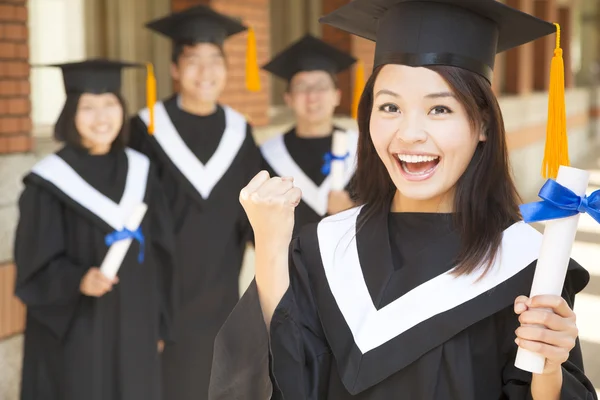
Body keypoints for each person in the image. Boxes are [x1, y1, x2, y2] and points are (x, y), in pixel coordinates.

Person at [208, 1, 599, 399]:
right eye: (390, 106)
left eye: (440, 109)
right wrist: (271, 245)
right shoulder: (324, 248)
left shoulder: (526, 264)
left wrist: (548, 368)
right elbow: (289, 381)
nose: (410, 133)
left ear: (482, 124)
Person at [14, 59, 176, 400]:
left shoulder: (142, 170)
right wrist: (77, 279)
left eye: (110, 104)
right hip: (79, 330)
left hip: (137, 322)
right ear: (70, 113)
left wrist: (160, 323)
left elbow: (162, 253)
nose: (102, 117)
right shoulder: (49, 182)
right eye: (88, 107)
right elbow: (32, 265)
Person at [129, 5, 263, 399]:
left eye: (214, 61)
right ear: (174, 69)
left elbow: (250, 216)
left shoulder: (239, 132)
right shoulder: (146, 128)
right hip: (160, 293)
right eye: (193, 61)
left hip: (221, 290)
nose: (205, 73)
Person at [260, 34, 360, 235]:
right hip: (289, 264)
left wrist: (352, 211)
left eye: (321, 87)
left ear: (336, 96)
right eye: (302, 87)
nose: (312, 96)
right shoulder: (266, 156)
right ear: (288, 98)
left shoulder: (364, 150)